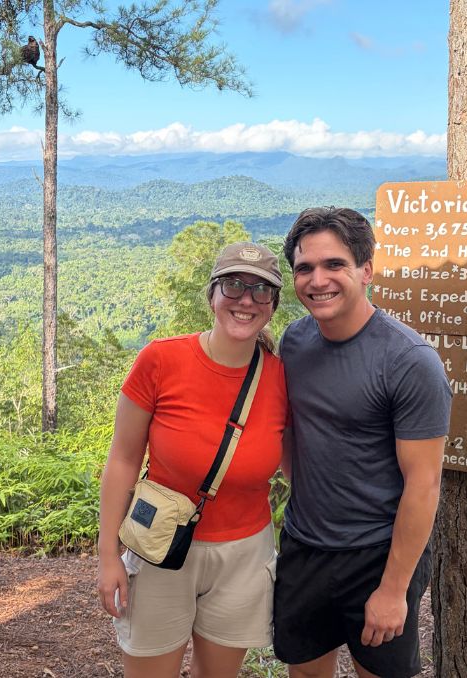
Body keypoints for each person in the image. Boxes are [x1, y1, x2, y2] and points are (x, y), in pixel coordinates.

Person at [273, 207, 452, 678]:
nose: (318, 280)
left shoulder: (409, 361)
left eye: (335, 264)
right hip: (305, 546)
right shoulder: (295, 341)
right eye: (305, 268)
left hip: (378, 555)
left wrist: (394, 589)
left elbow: (424, 484)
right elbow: (294, 434)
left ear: (366, 270)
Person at [97, 241, 289, 678]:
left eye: (261, 291)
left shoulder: (281, 376)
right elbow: (123, 460)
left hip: (244, 554)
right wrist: (108, 557)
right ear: (212, 295)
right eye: (234, 285)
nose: (246, 300)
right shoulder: (161, 360)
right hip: (157, 545)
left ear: (273, 306)